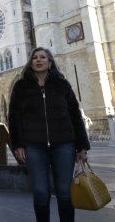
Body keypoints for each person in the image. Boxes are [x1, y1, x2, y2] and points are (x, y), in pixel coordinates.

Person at [8, 47, 90, 222]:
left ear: (50, 62)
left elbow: (75, 115)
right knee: (40, 191)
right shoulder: (21, 86)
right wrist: (18, 144)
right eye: (35, 58)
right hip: (34, 145)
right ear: (30, 63)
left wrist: (81, 146)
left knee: (64, 191)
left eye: (43, 57)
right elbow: (14, 117)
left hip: (64, 144)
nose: (38, 60)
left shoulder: (62, 84)